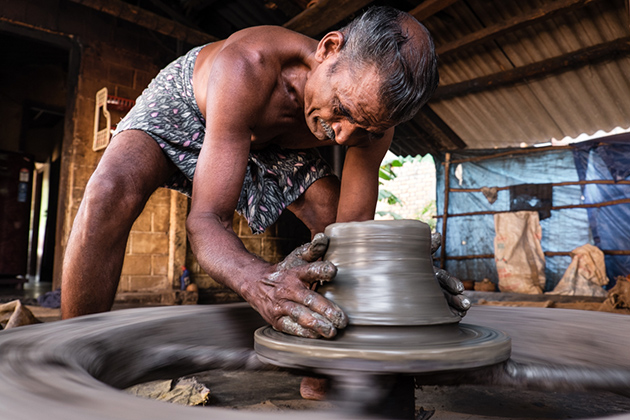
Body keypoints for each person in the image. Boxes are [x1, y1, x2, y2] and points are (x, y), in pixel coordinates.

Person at [61, 6, 468, 339]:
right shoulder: (249, 64)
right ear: (328, 49)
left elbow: (352, 235)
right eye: (341, 110)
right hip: (189, 106)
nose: (344, 138)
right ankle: (67, 353)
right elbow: (205, 222)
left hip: (272, 144)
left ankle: (321, 370)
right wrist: (262, 282)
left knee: (333, 234)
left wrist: (402, 274)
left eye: (366, 128)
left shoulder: (370, 125)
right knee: (108, 192)